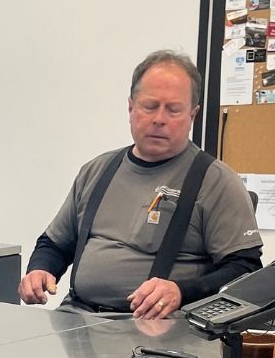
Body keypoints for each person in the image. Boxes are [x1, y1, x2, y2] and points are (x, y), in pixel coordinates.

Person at [19, 50, 262, 318]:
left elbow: (245, 270)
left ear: (193, 115)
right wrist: (39, 270)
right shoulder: (96, 171)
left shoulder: (216, 181)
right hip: (75, 318)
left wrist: (181, 290)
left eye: (173, 109)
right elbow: (55, 244)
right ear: (131, 107)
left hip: (161, 329)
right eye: (150, 106)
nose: (159, 119)